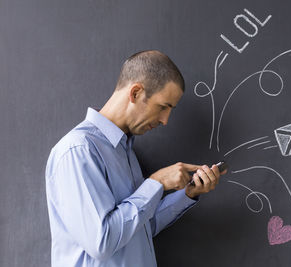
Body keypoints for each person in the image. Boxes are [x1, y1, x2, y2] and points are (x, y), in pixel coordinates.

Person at [45, 50, 227, 267]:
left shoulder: (126, 153)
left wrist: (187, 194)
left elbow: (138, 229)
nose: (165, 120)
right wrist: (156, 183)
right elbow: (101, 241)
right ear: (136, 93)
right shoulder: (78, 150)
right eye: (163, 107)